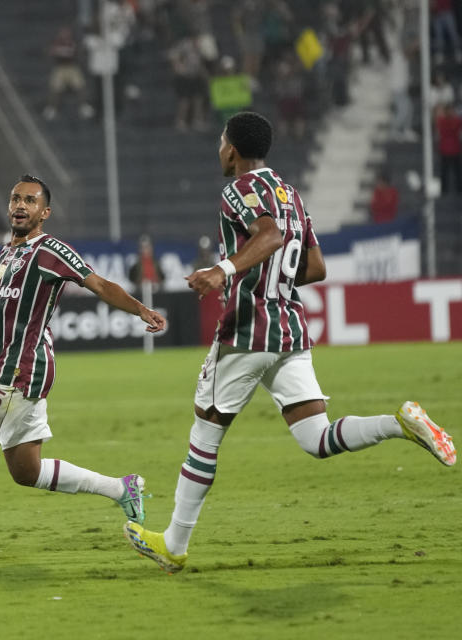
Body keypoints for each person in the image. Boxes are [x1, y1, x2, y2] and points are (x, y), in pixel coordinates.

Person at [123, 112, 457, 574]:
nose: (219, 150)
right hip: (289, 328)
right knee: (315, 437)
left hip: (247, 330)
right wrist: (271, 273)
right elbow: (316, 266)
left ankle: (173, 544)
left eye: (221, 142)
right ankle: (397, 423)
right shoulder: (289, 193)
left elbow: (270, 235)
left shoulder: (238, 190)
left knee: (205, 434)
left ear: (232, 150)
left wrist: (223, 271)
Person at [0, 175, 167, 562]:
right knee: (26, 471)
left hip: (22, 372)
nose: (20, 205)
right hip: (6, 371)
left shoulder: (50, 250)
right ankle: (121, 488)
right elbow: (2, 310)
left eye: (30, 200)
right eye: (15, 198)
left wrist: (141, 308)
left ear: (45, 212)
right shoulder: (8, 253)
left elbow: (98, 284)